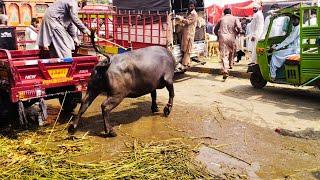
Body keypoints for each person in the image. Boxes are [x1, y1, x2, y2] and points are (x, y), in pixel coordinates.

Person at [269, 14, 300, 81]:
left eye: (295, 20)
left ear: (298, 20)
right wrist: (279, 45)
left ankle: (273, 76)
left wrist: (276, 47)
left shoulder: (297, 28)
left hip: (294, 50)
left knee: (274, 55)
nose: (293, 22)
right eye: (293, 20)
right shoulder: (297, 27)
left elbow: (289, 40)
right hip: (294, 49)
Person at [214, 8, 241, 79]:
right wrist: (237, 33)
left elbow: (215, 29)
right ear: (231, 12)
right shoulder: (235, 18)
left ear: (224, 13)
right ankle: (231, 64)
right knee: (232, 51)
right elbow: (239, 27)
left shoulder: (221, 19)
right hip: (232, 37)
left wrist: (218, 35)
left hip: (223, 37)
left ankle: (225, 69)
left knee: (224, 54)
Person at [176, 0, 198, 71]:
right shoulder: (189, 13)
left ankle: (185, 64)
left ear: (194, 6)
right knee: (185, 48)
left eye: (191, 6)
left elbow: (187, 22)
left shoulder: (194, 14)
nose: (190, 7)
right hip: (186, 33)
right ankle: (187, 63)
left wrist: (180, 19)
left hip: (189, 33)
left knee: (187, 49)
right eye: (189, 5)